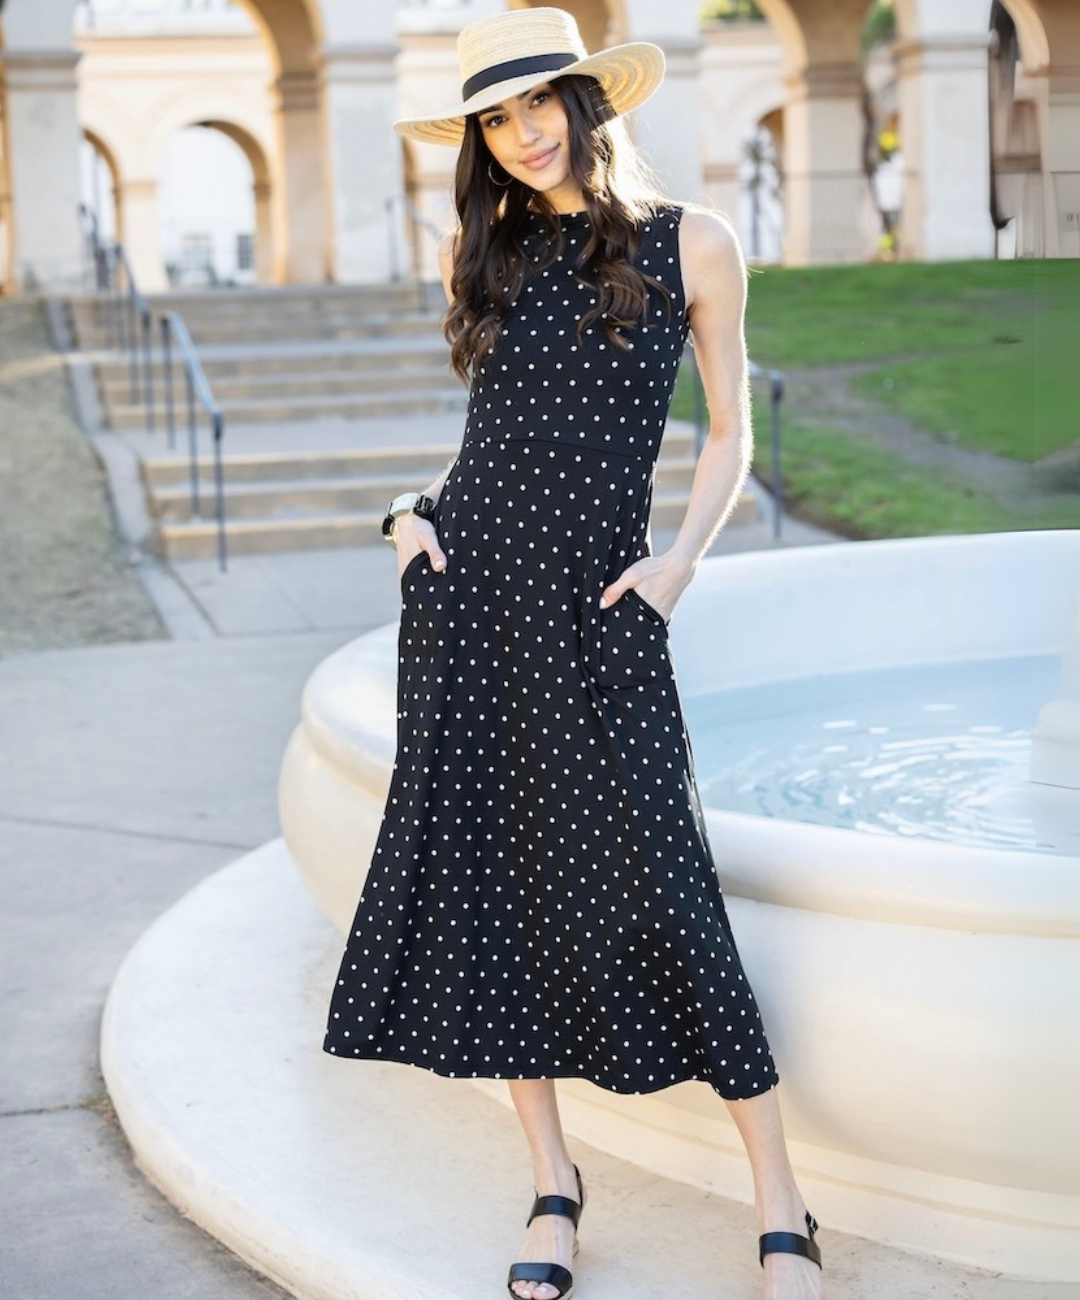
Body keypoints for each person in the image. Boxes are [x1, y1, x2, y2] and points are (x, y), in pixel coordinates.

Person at [323, 9, 823, 1300]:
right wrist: (405, 516)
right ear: (481, 140)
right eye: (497, 116)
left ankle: (783, 1203)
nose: (524, 130)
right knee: (494, 895)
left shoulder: (693, 245)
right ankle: (553, 1184)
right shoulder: (477, 254)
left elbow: (728, 437)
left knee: (669, 888)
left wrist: (678, 567)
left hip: (604, 611)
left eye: (540, 101)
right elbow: (484, 443)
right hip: (473, 596)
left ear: (589, 101)